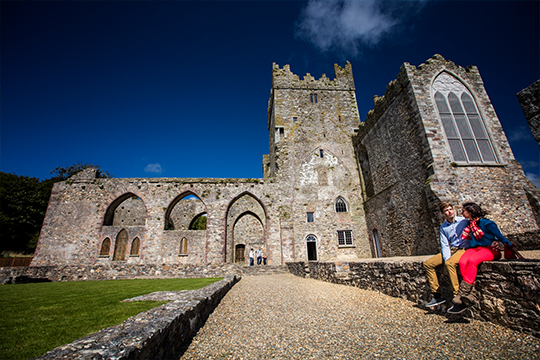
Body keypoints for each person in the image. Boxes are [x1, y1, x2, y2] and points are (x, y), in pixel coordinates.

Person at [447, 202, 515, 314]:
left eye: (463, 211)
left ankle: (462, 294)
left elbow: (500, 237)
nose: (462, 213)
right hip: (475, 249)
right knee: (463, 261)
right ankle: (471, 295)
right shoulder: (469, 224)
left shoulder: (487, 223)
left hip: (489, 249)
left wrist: (510, 246)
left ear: (470, 212)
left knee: (473, 261)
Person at [423, 202, 469, 307]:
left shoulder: (463, 221)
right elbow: (445, 245)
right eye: (446, 211)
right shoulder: (443, 227)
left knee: (449, 264)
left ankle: (457, 297)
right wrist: (446, 257)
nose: (450, 212)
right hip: (452, 249)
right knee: (428, 264)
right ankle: (437, 295)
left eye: (450, 209)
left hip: (463, 248)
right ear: (442, 213)